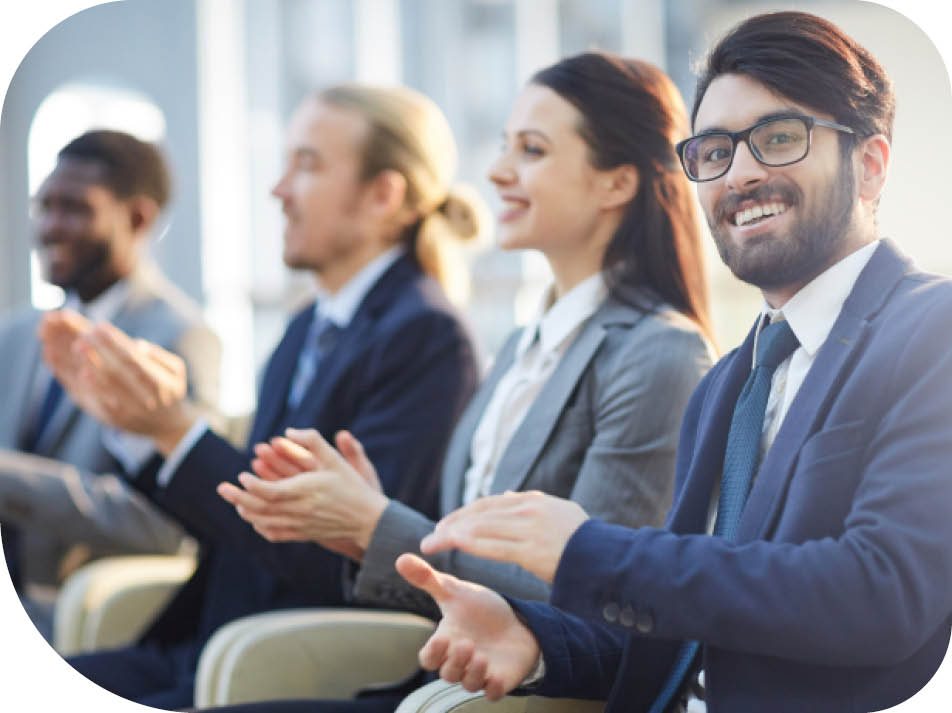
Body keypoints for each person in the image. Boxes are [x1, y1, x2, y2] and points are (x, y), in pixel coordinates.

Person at [399, 11, 952, 713]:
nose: (740, 174)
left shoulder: (933, 331)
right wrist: (536, 640)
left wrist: (588, 550)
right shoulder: (728, 381)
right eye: (714, 151)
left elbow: (882, 594)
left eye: (778, 138)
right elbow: (685, 629)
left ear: (869, 164)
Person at [203, 51, 716, 713]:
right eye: (505, 147)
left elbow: (595, 607)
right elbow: (467, 569)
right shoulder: (523, 345)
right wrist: (368, 516)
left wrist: (380, 525)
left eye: (532, 151)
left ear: (617, 182)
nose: (498, 172)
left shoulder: (659, 355)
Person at [41, 84, 482, 709]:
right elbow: (236, 520)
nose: (278, 190)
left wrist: (175, 430)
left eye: (306, 164)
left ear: (384, 195)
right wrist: (138, 431)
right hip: (206, 646)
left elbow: (339, 558)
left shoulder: (428, 337)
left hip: (283, 659)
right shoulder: (308, 326)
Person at [0, 129, 220, 639]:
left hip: (75, 615)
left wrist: (8, 478)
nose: (50, 227)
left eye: (75, 208)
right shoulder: (14, 334)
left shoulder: (178, 337)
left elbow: (164, 524)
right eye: (44, 206)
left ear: (138, 218)